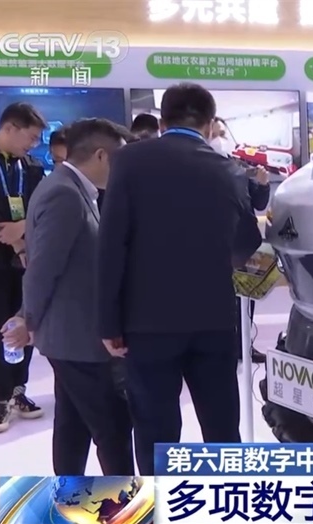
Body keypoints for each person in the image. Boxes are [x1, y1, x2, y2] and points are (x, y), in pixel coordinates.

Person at [98, 82, 262, 474]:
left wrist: (108, 322)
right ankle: (229, 499)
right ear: (210, 123)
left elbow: (111, 243)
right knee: (222, 425)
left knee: (155, 429)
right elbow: (247, 242)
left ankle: (161, 501)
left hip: (146, 322)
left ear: (161, 120)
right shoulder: (229, 169)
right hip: (214, 320)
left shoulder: (129, 161)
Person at [16, 118, 134, 475]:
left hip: (72, 336)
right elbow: (43, 267)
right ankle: (124, 502)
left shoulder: (73, 189)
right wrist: (27, 319)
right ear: (100, 155)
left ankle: (68, 496)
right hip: (76, 339)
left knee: (73, 425)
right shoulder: (65, 194)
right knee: (113, 427)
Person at [0, 102, 46, 433]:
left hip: (26, 260)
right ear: (10, 128)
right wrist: (11, 238)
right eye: (31, 137)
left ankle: (18, 389)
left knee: (26, 323)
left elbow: (40, 208)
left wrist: (22, 230)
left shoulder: (31, 167)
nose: (34, 144)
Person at [210, 117, 269, 364]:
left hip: (246, 246)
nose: (220, 139)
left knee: (246, 300)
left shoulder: (239, 167)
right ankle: (224, 350)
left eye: (223, 133)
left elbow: (259, 203)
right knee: (221, 304)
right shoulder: (203, 169)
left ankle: (245, 346)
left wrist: (263, 185)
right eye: (215, 133)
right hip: (217, 249)